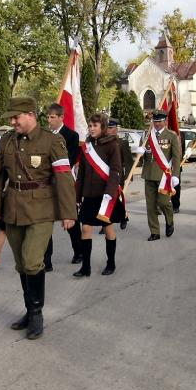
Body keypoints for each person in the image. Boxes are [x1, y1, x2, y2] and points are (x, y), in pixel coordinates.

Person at [0, 97, 77, 340]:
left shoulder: (52, 141)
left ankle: (36, 313)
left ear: (30, 114)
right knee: (20, 264)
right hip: (13, 208)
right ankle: (29, 310)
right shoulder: (7, 140)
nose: (12, 122)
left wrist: (68, 212)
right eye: (11, 118)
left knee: (33, 261)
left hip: (41, 209)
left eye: (16, 117)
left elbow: (64, 177)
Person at [74, 113, 124, 277]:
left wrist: (110, 193)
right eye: (90, 126)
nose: (91, 128)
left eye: (95, 125)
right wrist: (77, 195)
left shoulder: (112, 145)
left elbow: (116, 170)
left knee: (108, 228)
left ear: (102, 127)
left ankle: (111, 263)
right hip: (89, 194)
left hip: (106, 196)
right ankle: (85, 267)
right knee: (86, 228)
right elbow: (81, 173)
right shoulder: (87, 145)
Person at [43, 103, 82, 269]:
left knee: (71, 218)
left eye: (52, 117)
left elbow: (69, 160)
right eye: (48, 117)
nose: (49, 120)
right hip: (45, 184)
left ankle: (79, 252)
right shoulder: (43, 135)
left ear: (61, 117)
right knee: (45, 222)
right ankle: (47, 261)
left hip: (65, 182)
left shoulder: (72, 136)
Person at [138, 111, 181, 241]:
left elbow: (176, 157)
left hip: (164, 175)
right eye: (155, 121)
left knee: (163, 202)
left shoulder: (171, 136)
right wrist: (139, 152)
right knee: (150, 205)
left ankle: (169, 220)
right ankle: (155, 231)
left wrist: (175, 175)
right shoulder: (147, 135)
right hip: (149, 174)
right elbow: (142, 158)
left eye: (159, 121)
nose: (156, 124)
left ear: (165, 121)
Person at [107, 118, 133, 230]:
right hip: (105, 175)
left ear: (117, 129)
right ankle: (106, 222)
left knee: (118, 199)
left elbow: (128, 161)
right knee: (105, 198)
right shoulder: (102, 142)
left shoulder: (122, 143)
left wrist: (128, 176)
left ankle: (123, 217)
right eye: (107, 128)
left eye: (111, 128)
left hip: (118, 175)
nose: (108, 130)